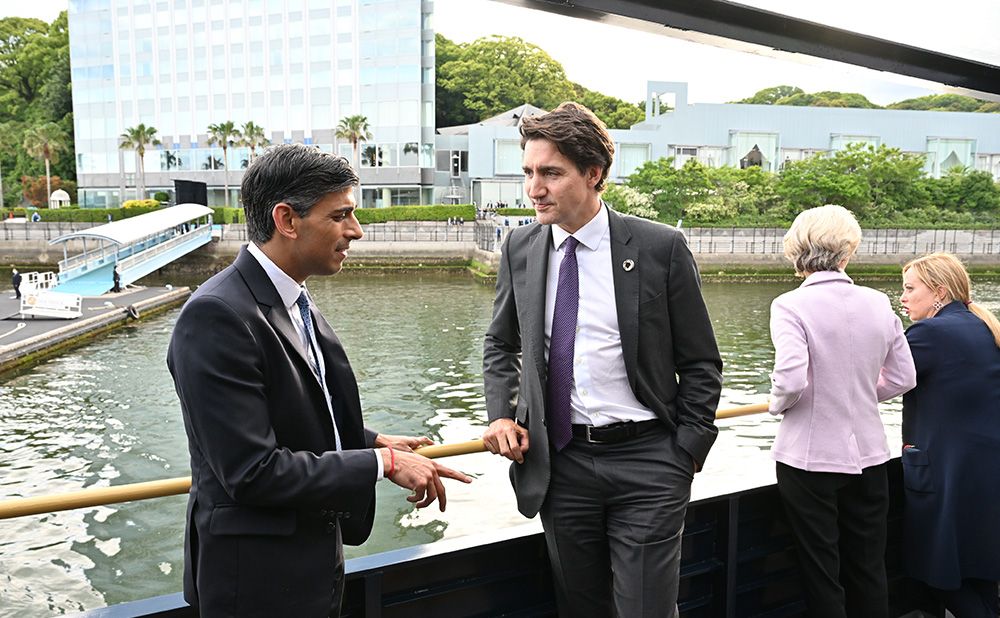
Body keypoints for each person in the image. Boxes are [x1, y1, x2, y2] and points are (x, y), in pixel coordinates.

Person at [167, 144, 471, 617]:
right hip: (255, 582)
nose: (356, 231)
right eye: (341, 215)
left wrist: (367, 440)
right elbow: (252, 470)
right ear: (287, 220)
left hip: (308, 564)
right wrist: (380, 463)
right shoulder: (216, 315)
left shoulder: (289, 299)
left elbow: (293, 411)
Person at [481, 102, 723, 617]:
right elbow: (501, 343)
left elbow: (701, 360)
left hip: (649, 463)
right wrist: (500, 413)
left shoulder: (661, 247)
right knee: (581, 608)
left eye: (550, 173)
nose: (534, 188)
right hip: (561, 465)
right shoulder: (519, 247)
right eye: (528, 172)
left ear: (594, 174)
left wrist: (687, 450)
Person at [768, 205, 916, 618]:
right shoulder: (877, 302)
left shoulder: (789, 306)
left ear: (796, 252)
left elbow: (791, 380)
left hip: (809, 458)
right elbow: (904, 376)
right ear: (847, 252)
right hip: (870, 455)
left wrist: (777, 405)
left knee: (821, 569)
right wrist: (859, 393)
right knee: (868, 566)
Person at [899, 252, 1000, 617]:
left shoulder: (930, 333)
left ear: (939, 291)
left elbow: (880, 380)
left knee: (936, 575)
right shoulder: (982, 326)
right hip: (985, 472)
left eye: (911, 289)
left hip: (946, 475)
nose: (903, 297)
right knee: (982, 574)